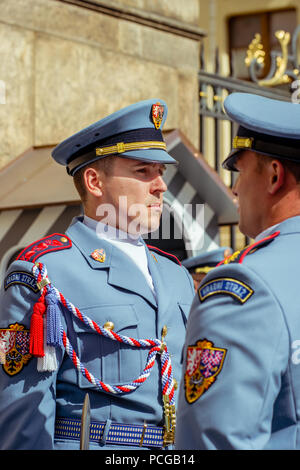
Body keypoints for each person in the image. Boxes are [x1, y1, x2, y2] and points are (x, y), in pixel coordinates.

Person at [0, 99, 195, 450]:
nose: (160, 186)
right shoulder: (45, 272)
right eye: (142, 171)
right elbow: (23, 415)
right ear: (94, 181)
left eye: (160, 172)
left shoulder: (175, 273)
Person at [176, 92, 300, 450]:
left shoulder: (243, 285)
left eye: (240, 171)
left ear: (275, 175)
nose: (234, 188)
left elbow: (215, 440)